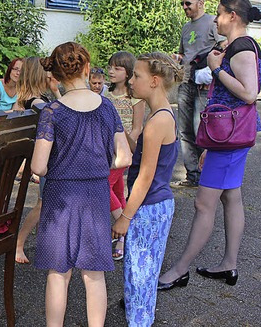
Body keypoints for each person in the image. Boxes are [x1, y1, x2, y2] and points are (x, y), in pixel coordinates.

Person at [158, 0, 261, 291]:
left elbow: (249, 93)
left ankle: (179, 270)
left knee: (204, 203)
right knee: (231, 197)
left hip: (229, 138)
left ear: (232, 16)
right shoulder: (234, 47)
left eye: (218, 14)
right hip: (228, 136)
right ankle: (229, 264)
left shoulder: (241, 48)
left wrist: (217, 70)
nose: (215, 19)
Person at [32, 42, 131, 327]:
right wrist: (98, 168)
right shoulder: (107, 107)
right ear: (87, 69)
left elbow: (39, 166)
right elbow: (123, 156)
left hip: (61, 195)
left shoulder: (52, 112)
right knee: (94, 273)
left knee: (58, 273)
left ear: (57, 75)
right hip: (96, 194)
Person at [112, 52, 180, 326]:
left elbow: (145, 177)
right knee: (145, 277)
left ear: (154, 81)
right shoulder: (163, 113)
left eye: (136, 76)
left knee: (138, 280)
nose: (130, 81)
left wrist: (125, 217)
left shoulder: (156, 123)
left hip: (148, 208)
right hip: (157, 205)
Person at [172, 0, 223, 188]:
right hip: (186, 80)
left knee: (200, 127)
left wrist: (211, 72)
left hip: (203, 83)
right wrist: (178, 58)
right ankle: (192, 176)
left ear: (200, 3)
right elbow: (184, 53)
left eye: (188, 3)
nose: (185, 7)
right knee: (184, 130)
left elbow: (223, 47)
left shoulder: (212, 22)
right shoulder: (186, 28)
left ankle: (206, 175)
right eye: (183, 3)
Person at [12, 56, 56, 264]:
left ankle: (39, 240)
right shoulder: (37, 102)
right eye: (46, 70)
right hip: (47, 159)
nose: (50, 73)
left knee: (45, 202)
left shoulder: (29, 98)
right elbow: (61, 117)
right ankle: (19, 243)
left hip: (45, 157)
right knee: (42, 203)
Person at [105, 51, 144, 260]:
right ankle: (122, 239)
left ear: (128, 73)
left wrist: (124, 145)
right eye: (110, 66)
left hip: (123, 152)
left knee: (104, 186)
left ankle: (125, 227)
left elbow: (137, 128)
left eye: (117, 68)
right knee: (119, 190)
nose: (111, 71)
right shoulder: (105, 94)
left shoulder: (135, 97)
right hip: (105, 150)